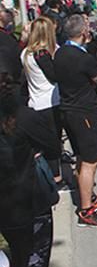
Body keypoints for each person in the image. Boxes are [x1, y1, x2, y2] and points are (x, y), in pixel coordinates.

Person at [0, 63, 78, 267]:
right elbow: (55, 148)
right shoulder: (22, 116)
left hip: (6, 209)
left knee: (19, 260)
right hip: (28, 203)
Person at [53, 14, 97, 228]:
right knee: (91, 160)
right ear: (83, 33)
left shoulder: (59, 53)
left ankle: (89, 197)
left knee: (81, 156)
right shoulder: (83, 57)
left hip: (68, 110)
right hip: (84, 113)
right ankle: (86, 210)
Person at [20, 17, 66, 186]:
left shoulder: (26, 53)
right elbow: (54, 76)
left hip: (36, 101)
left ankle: (52, 173)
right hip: (50, 102)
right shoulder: (42, 54)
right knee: (53, 142)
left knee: (47, 141)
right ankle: (55, 177)